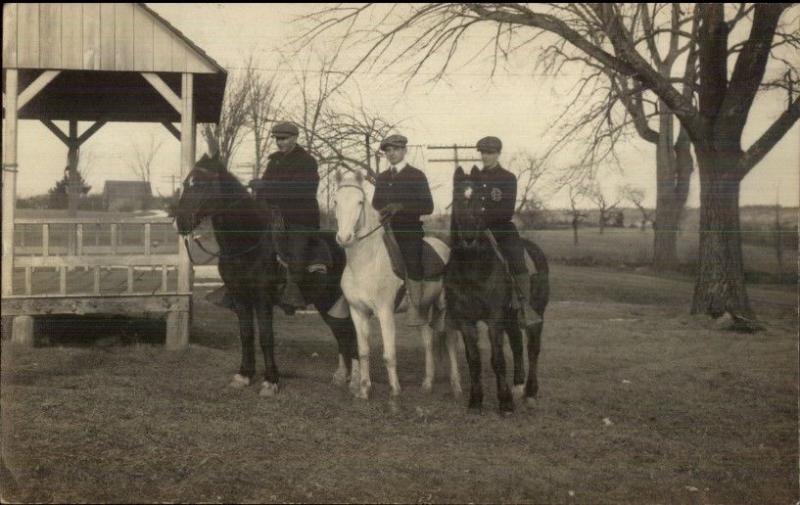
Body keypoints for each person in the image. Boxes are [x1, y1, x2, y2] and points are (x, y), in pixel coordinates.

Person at [474, 136, 542, 328]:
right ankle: (450, 304)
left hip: (501, 229)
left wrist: (484, 220)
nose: (485, 157)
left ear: (498, 154)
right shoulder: (474, 178)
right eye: (483, 153)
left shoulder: (507, 178)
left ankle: (523, 308)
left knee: (517, 259)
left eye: (490, 153)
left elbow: (506, 210)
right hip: (477, 230)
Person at [252, 121, 320, 313]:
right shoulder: (274, 161)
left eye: (284, 139)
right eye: (277, 139)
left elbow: (302, 191)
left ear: (295, 138)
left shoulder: (307, 161)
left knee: (296, 255)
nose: (279, 143)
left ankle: (293, 296)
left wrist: (267, 187)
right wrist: (258, 191)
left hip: (300, 218)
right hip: (275, 217)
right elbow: (266, 188)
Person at [372, 134, 434, 327]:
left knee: (412, 260)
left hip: (408, 230)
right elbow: (376, 202)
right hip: (385, 229)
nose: (391, 154)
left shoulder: (416, 175)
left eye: (396, 150)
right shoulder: (382, 177)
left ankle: (416, 307)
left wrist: (401, 207)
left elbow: (428, 206)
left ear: (404, 151)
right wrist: (383, 208)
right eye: (388, 151)